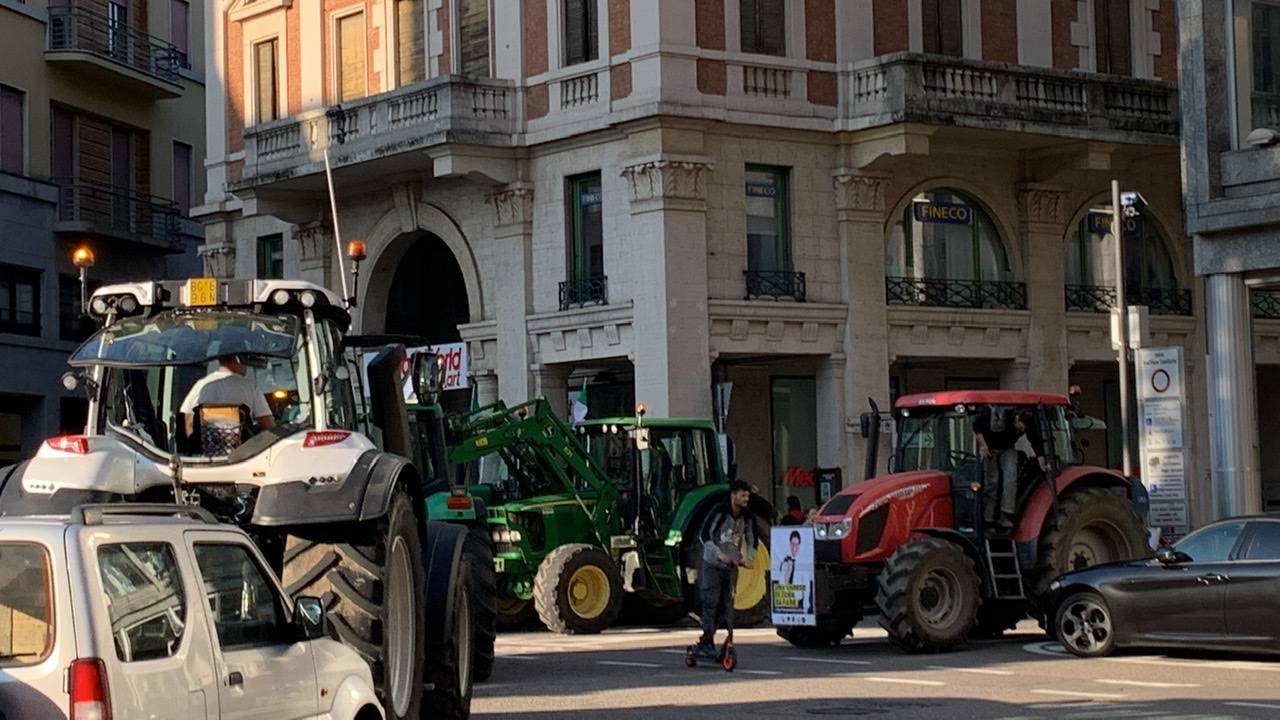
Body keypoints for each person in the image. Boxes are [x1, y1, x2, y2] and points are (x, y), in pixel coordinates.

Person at [695, 480, 757, 655]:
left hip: (731, 566)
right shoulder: (719, 512)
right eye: (743, 495)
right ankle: (707, 642)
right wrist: (717, 554)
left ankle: (716, 639)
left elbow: (753, 539)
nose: (746, 499)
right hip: (713, 564)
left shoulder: (748, 516)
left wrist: (749, 557)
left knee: (726, 607)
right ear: (733, 495)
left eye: (747, 496)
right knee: (710, 603)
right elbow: (705, 535)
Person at [180, 354, 276, 439]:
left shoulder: (200, 385)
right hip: (243, 455)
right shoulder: (250, 387)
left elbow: (187, 421)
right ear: (238, 359)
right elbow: (269, 427)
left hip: (207, 455)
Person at [973, 405, 1020, 532]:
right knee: (992, 482)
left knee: (1010, 477)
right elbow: (977, 429)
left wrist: (1041, 458)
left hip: (1007, 448)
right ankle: (988, 517)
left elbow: (1034, 437)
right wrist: (983, 446)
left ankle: (1007, 514)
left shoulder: (1021, 420)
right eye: (1020, 426)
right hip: (990, 447)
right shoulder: (986, 415)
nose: (1021, 429)